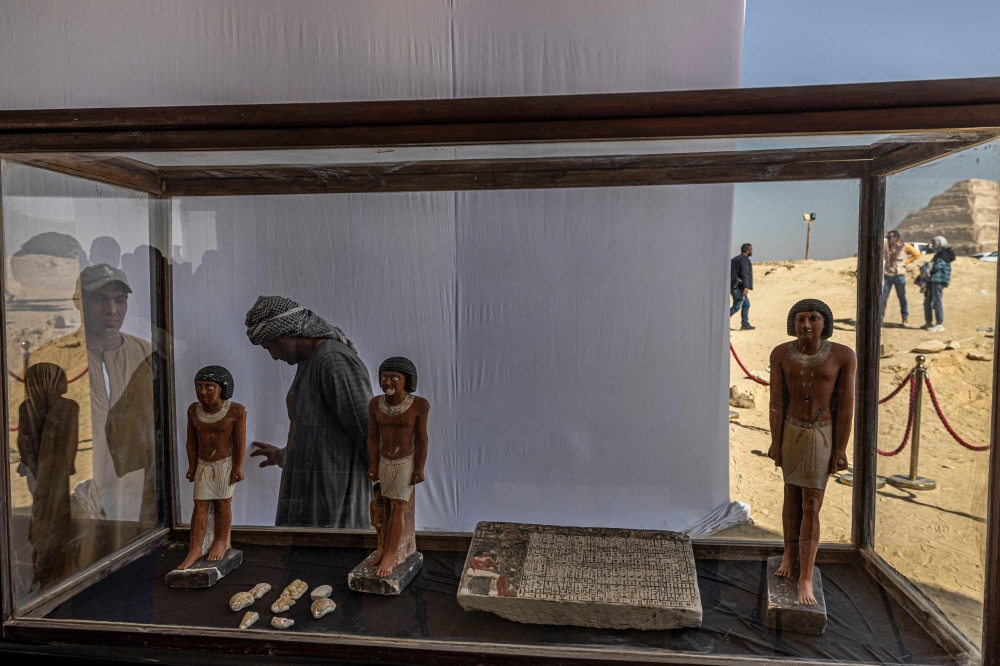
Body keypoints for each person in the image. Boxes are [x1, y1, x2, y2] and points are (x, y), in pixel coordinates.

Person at [26, 264, 156, 529]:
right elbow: (30, 437)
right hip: (73, 492)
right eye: (100, 299)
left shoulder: (146, 354)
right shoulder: (50, 359)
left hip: (134, 492)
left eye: (120, 300)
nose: (112, 310)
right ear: (79, 302)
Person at [246, 295, 373, 528]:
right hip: (310, 501)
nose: (273, 356)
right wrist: (282, 455)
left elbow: (369, 434)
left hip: (336, 506)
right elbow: (313, 434)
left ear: (285, 334)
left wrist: (391, 496)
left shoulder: (333, 360)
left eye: (269, 346)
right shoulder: (310, 361)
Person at [768, 299, 856, 606]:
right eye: (801, 319)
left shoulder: (843, 355)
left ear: (825, 323)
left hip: (821, 435)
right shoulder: (781, 353)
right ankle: (789, 554)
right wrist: (775, 441)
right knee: (790, 496)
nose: (806, 325)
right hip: (791, 432)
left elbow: (845, 406)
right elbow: (776, 402)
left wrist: (841, 448)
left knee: (811, 503)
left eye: (813, 318)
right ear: (792, 323)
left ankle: (806, 576)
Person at [176, 366, 246, 570]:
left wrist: (238, 466)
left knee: (223, 504)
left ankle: (221, 542)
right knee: (199, 505)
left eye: (209, 387)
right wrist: (192, 466)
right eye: (199, 386)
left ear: (222, 388)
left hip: (224, 465)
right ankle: (195, 549)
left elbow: (239, 442)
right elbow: (191, 442)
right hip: (203, 465)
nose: (203, 392)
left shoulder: (236, 410)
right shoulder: (193, 409)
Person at [17, 363, 80, 589]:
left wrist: (35, 469)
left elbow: (25, 442)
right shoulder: (65, 407)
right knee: (49, 516)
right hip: (49, 472)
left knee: (47, 515)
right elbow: (68, 443)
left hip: (45, 471)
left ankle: (48, 567)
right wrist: (41, 470)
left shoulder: (30, 407)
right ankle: (48, 568)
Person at [366, 357, 429, 577]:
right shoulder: (375, 404)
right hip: (385, 461)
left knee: (398, 506)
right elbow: (373, 438)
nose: (388, 382)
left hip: (405, 462)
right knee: (385, 505)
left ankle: (392, 554)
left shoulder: (419, 404)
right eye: (384, 377)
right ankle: (385, 548)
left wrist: (419, 468)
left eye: (394, 378)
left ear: (407, 380)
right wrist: (373, 464)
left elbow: (422, 440)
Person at [880, 230, 921, 327]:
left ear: (896, 238)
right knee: (883, 298)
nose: (888, 239)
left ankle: (905, 318)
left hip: (899, 275)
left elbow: (916, 254)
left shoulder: (905, 246)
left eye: (890, 237)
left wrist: (905, 262)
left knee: (902, 297)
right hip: (887, 275)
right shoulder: (886, 247)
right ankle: (880, 317)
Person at [919, 236, 955, 333]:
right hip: (932, 280)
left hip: (938, 281)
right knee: (927, 301)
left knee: (937, 302)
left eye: (934, 244)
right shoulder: (938, 254)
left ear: (939, 244)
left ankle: (939, 324)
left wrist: (926, 266)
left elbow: (935, 267)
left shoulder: (943, 255)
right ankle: (928, 322)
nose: (932, 246)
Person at [730, 243, 754, 331]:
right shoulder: (744, 260)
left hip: (734, 286)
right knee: (737, 306)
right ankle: (720, 321)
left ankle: (745, 324)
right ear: (747, 251)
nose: (752, 251)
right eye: (751, 249)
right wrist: (746, 287)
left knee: (746, 304)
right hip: (739, 288)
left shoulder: (735, 259)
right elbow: (744, 273)